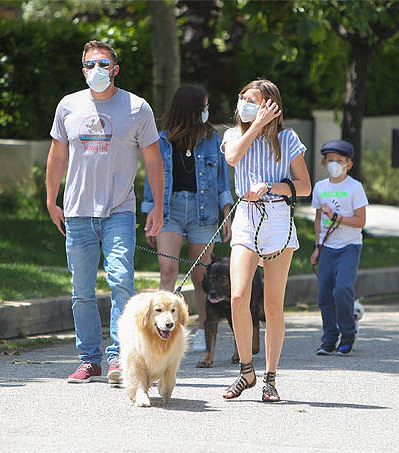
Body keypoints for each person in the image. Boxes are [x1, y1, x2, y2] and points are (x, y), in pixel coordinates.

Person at [46, 40, 164, 385]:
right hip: (77, 212)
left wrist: (157, 204)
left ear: (115, 69)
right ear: (83, 70)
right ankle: (88, 360)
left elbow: (153, 160)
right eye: (90, 64)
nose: (96, 69)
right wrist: (52, 200)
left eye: (103, 63)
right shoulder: (68, 106)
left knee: (121, 283)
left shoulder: (137, 107)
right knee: (81, 290)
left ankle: (118, 358)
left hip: (119, 211)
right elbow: (57, 155)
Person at [220, 79, 311, 401]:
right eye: (242, 98)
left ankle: (271, 377)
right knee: (238, 295)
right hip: (245, 217)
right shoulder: (234, 135)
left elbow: (305, 187)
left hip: (277, 220)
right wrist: (255, 124)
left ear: (270, 105)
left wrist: (273, 186)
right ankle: (246, 371)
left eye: (253, 100)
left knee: (272, 305)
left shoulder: (287, 139)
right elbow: (232, 158)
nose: (244, 104)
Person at [142, 85, 233, 353]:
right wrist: (151, 211)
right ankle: (163, 334)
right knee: (168, 271)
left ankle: (206, 333)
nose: (207, 111)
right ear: (190, 109)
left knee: (201, 276)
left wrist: (226, 214)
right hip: (170, 211)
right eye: (203, 106)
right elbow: (152, 178)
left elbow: (222, 180)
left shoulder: (213, 139)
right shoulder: (161, 140)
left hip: (203, 211)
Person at [310, 140, 368, 356]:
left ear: (348, 164)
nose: (334, 164)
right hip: (327, 248)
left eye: (339, 161)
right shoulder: (320, 187)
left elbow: (360, 221)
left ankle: (348, 333)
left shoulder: (355, 187)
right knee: (324, 295)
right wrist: (317, 247)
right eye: (330, 160)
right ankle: (329, 338)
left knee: (342, 289)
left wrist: (336, 217)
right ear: (324, 163)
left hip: (349, 246)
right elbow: (317, 219)